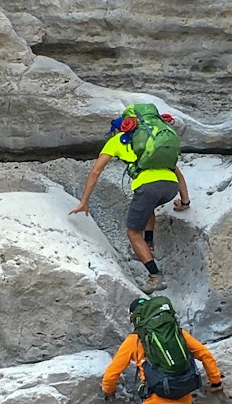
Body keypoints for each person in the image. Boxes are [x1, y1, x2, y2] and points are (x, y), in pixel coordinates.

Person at [69, 116, 191, 295]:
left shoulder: (116, 141)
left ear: (118, 130)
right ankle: (148, 245)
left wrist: (84, 201)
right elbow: (178, 173)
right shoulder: (152, 145)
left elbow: (96, 170)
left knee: (133, 233)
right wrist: (185, 202)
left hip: (147, 188)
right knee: (148, 208)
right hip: (170, 187)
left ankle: (155, 276)